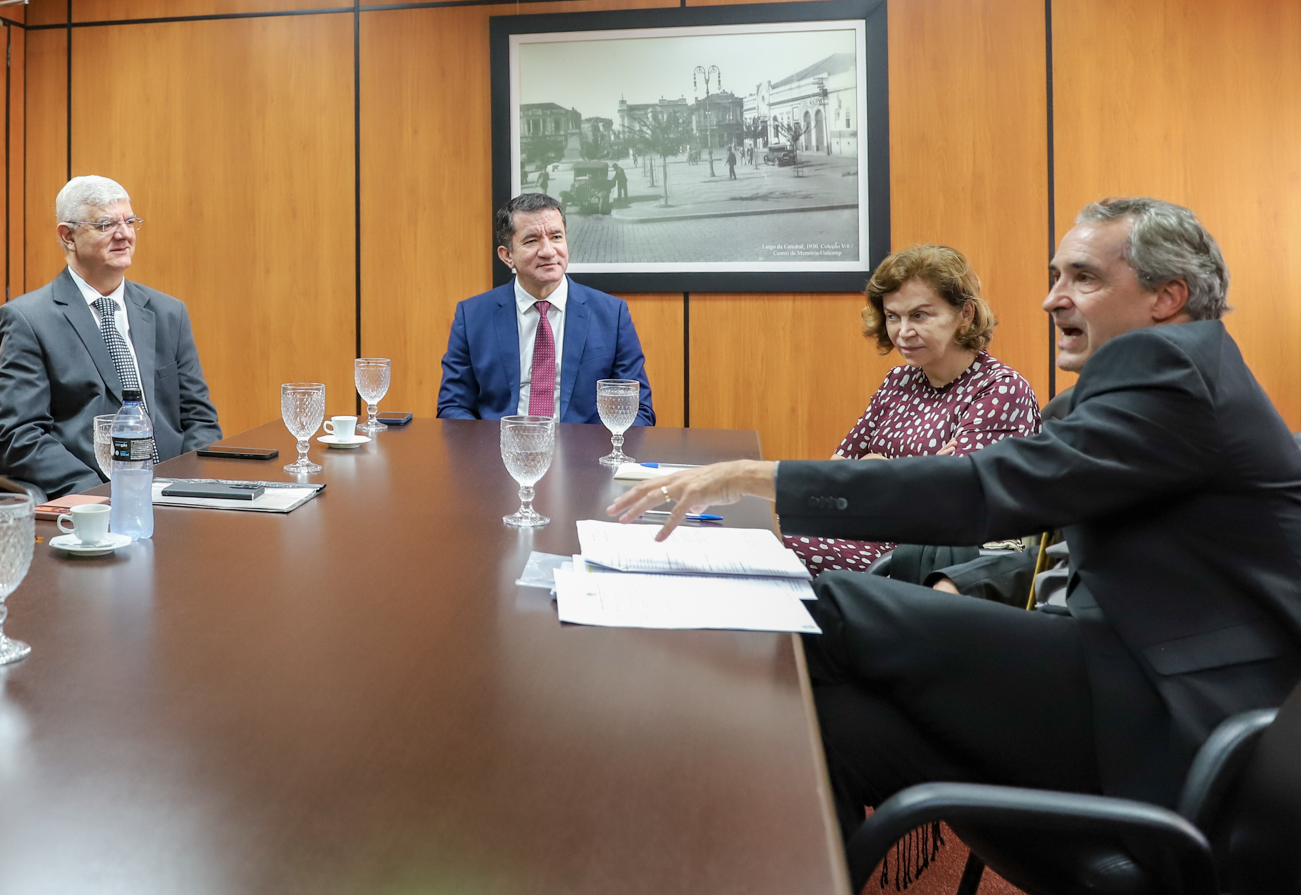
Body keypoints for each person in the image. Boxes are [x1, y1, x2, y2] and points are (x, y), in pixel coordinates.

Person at [611, 197, 1301, 839]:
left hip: (1170, 719)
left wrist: (758, 477)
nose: (1051, 298)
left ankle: (638, 777)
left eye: (1083, 278)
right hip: (1116, 682)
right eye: (1055, 276)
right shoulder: (1164, 380)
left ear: (1167, 297)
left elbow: (985, 490)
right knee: (838, 725)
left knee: (835, 606)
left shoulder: (1173, 368)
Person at [784, 245, 1041, 576]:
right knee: (769, 532)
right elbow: (836, 474)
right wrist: (917, 473)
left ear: (965, 314)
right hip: (868, 533)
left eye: (919, 315)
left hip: (926, 557)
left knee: (785, 546)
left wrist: (878, 468)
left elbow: (956, 505)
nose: (903, 332)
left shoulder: (1000, 389)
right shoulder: (899, 379)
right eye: (893, 316)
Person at [0, 176, 221, 498]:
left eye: (130, 221)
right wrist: (103, 494)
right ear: (68, 236)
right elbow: (20, 437)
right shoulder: (28, 320)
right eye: (106, 225)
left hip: (176, 494)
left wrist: (188, 487)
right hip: (95, 498)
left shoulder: (169, 312)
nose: (124, 234)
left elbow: (200, 418)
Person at [437, 192, 653, 425]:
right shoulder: (472, 316)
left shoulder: (611, 315)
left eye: (556, 237)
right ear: (507, 255)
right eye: (531, 241)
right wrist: (487, 445)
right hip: (499, 444)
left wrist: (597, 447)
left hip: (585, 446)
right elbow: (453, 406)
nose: (549, 251)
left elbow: (638, 410)